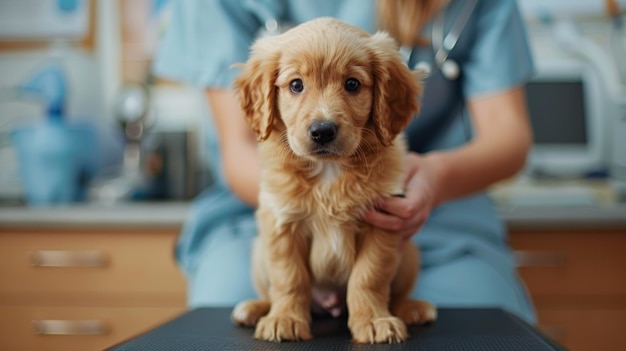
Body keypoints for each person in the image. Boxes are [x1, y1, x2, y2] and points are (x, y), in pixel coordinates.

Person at [153, 0, 537, 324]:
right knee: (224, 314)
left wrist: (435, 178)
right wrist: (308, 210)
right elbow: (240, 150)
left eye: (352, 85)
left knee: (480, 322)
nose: (324, 114)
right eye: (296, 86)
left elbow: (509, 138)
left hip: (433, 212)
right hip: (260, 208)